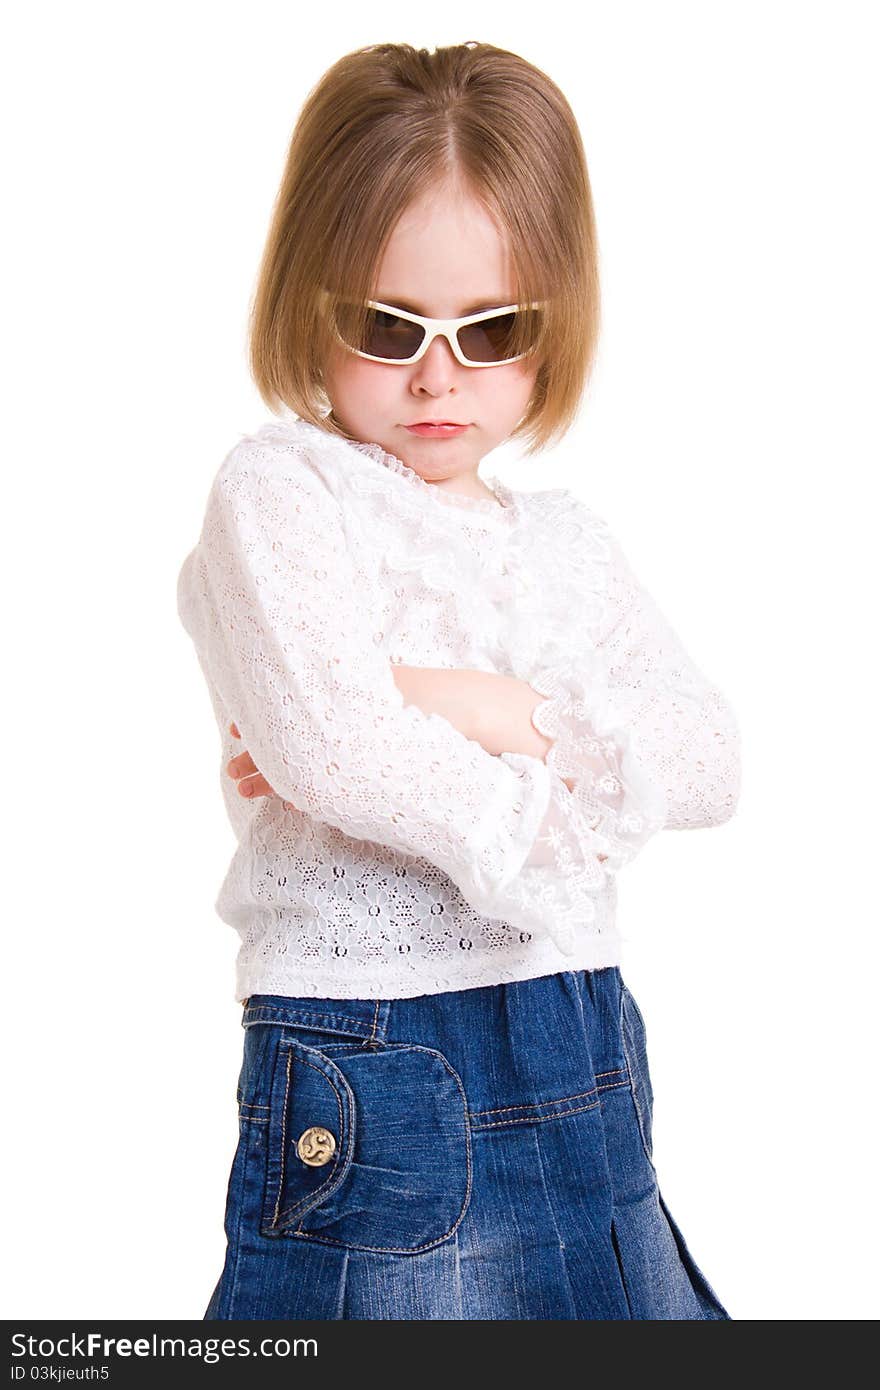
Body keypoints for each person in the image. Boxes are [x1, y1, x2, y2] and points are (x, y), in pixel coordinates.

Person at [176, 40, 742, 1320]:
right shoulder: (282, 491)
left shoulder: (566, 542)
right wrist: (571, 796)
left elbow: (711, 758)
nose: (439, 375)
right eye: (388, 327)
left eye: (492, 330)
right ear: (308, 300)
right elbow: (336, 751)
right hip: (375, 1061)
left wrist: (468, 701)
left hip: (583, 1027)